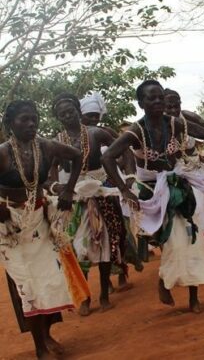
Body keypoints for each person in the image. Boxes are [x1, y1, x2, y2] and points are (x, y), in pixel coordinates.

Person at [102, 80, 204, 313]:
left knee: (192, 237)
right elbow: (108, 157)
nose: (158, 102)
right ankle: (165, 280)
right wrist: (124, 188)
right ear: (141, 103)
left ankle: (193, 296)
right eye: (152, 98)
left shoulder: (176, 124)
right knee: (172, 242)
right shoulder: (136, 131)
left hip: (178, 186)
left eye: (160, 97)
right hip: (151, 190)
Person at [0, 100, 83, 359]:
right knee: (28, 286)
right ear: (10, 124)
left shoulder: (45, 146)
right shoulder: (3, 152)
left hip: (39, 221)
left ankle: (46, 335)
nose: (31, 124)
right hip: (10, 228)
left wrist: (69, 189)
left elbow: (77, 156)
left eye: (33, 118)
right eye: (24, 119)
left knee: (48, 281)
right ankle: (39, 349)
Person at [50, 93, 125, 315]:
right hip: (73, 199)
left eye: (70, 111)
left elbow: (123, 149)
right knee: (76, 248)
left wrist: (125, 174)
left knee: (104, 243)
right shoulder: (55, 143)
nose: (67, 116)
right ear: (58, 117)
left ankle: (103, 294)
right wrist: (56, 187)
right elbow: (49, 170)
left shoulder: (95, 133)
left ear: (78, 111)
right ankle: (85, 297)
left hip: (101, 193)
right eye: (62, 114)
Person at [80, 91, 141, 292]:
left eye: (96, 116)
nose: (93, 120)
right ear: (81, 116)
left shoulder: (103, 133)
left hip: (107, 185)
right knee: (83, 240)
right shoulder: (68, 137)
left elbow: (125, 152)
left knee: (117, 231)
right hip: (81, 190)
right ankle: (93, 290)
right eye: (89, 116)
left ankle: (121, 272)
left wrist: (127, 177)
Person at [164, 88, 204, 240]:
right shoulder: (159, 126)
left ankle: (202, 242)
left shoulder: (189, 118)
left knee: (201, 206)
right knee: (180, 211)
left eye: (176, 106)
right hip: (174, 173)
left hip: (195, 168)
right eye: (168, 107)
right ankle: (190, 246)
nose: (173, 110)